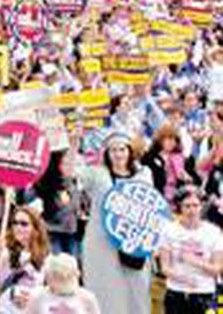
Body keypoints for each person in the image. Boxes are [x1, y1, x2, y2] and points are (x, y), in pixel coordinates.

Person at [76, 132, 152, 314]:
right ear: (107, 154)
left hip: (133, 241)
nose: (118, 154)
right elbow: (70, 173)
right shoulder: (97, 174)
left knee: (137, 287)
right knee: (103, 287)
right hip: (101, 239)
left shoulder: (144, 174)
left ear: (129, 151)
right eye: (113, 150)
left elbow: (151, 208)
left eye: (122, 149)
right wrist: (73, 143)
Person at [159, 185, 223, 313]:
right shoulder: (169, 230)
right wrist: (181, 277)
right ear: (180, 208)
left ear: (201, 206)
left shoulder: (214, 232)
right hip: (176, 292)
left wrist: (194, 261)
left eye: (195, 205)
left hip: (204, 294)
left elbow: (217, 269)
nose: (191, 210)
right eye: (187, 206)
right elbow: (164, 267)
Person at [0, 206, 49, 314]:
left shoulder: (45, 258)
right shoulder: (5, 252)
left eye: (24, 224)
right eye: (15, 223)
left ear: (36, 229)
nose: (18, 227)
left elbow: (49, 291)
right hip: (6, 310)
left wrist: (33, 297)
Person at [26, 253, 100, 314]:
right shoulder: (38, 296)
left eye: (68, 277)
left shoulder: (87, 298)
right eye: (59, 278)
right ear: (49, 278)